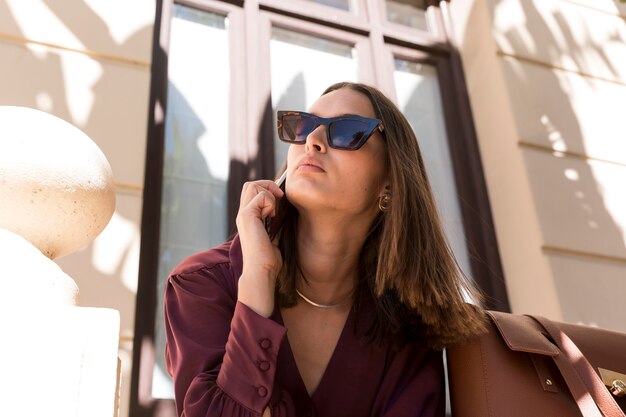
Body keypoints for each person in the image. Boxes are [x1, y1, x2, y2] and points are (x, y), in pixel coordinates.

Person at [164, 81, 487, 417]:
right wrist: (257, 281)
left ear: (390, 178)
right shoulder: (201, 285)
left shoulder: (412, 325)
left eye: (346, 132)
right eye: (303, 126)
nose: (313, 142)